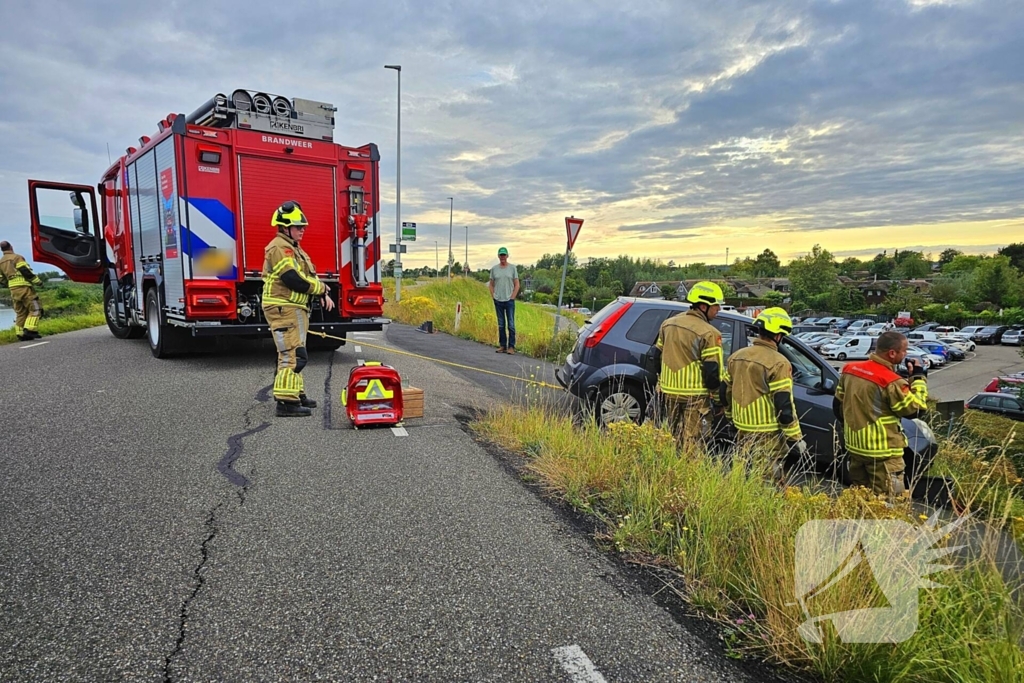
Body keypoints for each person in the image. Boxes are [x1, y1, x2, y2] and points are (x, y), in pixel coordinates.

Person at [834, 330, 928, 496]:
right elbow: (916, 410)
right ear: (892, 353)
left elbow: (837, 405)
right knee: (888, 501)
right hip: (884, 454)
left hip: (855, 448)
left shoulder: (850, 370)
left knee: (860, 496)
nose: (906, 354)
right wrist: (918, 379)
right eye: (904, 350)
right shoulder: (892, 381)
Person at [261, 201, 333, 417]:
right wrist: (320, 289)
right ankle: (286, 403)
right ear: (284, 227)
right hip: (284, 308)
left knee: (296, 351)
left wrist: (322, 292)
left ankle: (296, 394)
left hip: (294, 308)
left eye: (303, 226)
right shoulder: (279, 248)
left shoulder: (293, 249)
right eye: (298, 226)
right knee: (292, 354)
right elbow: (293, 279)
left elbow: (306, 276)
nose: (303, 229)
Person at [725, 307, 808, 481]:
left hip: (742, 428)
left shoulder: (736, 356)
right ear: (778, 336)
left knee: (741, 475)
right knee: (767, 480)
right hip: (767, 434)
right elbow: (784, 405)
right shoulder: (779, 362)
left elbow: (724, 391)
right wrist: (795, 438)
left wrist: (730, 419)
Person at [655, 281, 729, 452]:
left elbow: (655, 356)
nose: (718, 310)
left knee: (670, 437)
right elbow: (712, 373)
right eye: (716, 306)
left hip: (669, 393)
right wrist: (718, 401)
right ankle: (689, 474)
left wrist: (662, 382)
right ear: (703, 306)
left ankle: (668, 471)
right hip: (695, 398)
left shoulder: (668, 324)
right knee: (694, 442)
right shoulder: (710, 333)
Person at [0, 241, 44, 341]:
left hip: (13, 289)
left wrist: (9, 284)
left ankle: (20, 334)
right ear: (11, 247)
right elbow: (25, 270)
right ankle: (30, 330)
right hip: (24, 287)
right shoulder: (17, 257)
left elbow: (0, 278)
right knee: (35, 308)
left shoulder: (1, 261)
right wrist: (38, 282)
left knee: (21, 312)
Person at [489, 247, 519, 354]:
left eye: (504, 255)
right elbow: (491, 284)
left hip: (509, 300)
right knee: (501, 324)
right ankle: (502, 345)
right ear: (498, 256)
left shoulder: (512, 268)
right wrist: (494, 296)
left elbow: (517, 284)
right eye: (501, 255)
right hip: (498, 300)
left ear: (507, 256)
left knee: (511, 324)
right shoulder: (494, 269)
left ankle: (511, 347)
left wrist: (512, 297)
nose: (502, 257)